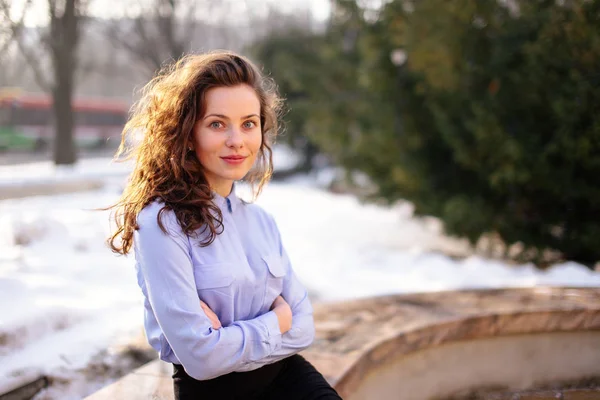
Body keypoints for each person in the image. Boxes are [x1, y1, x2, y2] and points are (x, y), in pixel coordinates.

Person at [107, 51, 342, 400]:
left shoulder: (262, 221)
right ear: (188, 133)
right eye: (217, 124)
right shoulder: (161, 223)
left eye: (249, 123)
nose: (237, 140)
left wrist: (227, 340)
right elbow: (202, 359)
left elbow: (304, 328)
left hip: (288, 379)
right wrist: (275, 322)